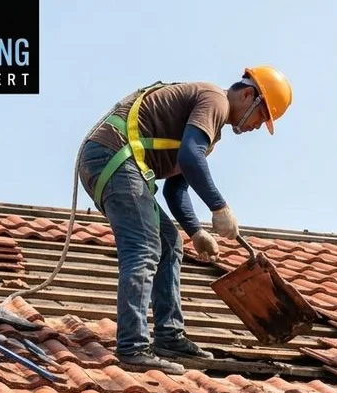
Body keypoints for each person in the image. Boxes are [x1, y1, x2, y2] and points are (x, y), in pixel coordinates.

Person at [76, 67, 293, 375]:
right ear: (248, 95)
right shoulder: (215, 101)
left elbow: (176, 187)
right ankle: (133, 347)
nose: (259, 126)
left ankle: (169, 337)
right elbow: (191, 157)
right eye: (262, 116)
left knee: (169, 241)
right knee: (145, 247)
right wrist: (219, 207)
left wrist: (196, 231)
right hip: (113, 157)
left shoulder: (210, 131)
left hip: (115, 162)